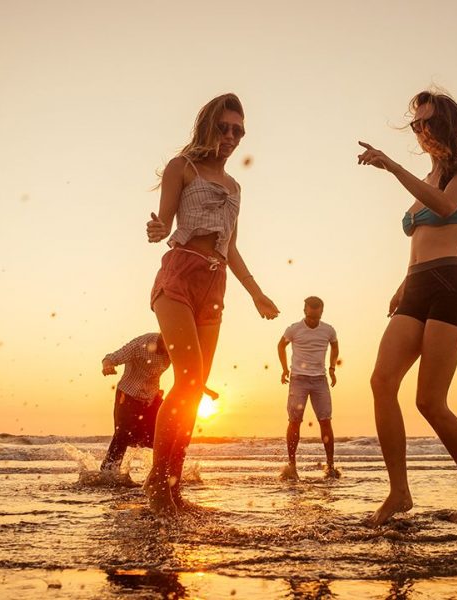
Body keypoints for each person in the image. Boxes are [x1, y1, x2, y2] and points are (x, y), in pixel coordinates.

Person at [357, 90, 457, 525]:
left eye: (429, 122)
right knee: (382, 382)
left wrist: (391, 166)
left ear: (449, 125)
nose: (422, 130)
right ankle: (399, 492)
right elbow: (419, 242)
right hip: (415, 287)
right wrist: (403, 283)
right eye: (416, 124)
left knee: (430, 402)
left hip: (449, 285)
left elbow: (445, 207)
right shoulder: (427, 173)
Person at [145, 93, 280, 515]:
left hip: (215, 287)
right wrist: (156, 228)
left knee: (194, 390)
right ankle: (158, 480)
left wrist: (256, 292)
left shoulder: (236, 187)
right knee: (187, 380)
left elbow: (232, 246)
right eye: (223, 127)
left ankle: (173, 480)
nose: (230, 136)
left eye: (238, 130)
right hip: (179, 276)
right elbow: (166, 222)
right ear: (207, 127)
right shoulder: (181, 168)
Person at [277, 296, 340, 479]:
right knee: (294, 421)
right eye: (310, 316)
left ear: (321, 312)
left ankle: (330, 466)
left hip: (320, 380)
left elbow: (335, 347)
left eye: (316, 316)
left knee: (325, 421)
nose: (313, 320)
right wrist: (284, 369)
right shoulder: (294, 329)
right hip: (298, 380)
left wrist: (332, 367)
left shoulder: (328, 330)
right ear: (305, 311)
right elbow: (281, 346)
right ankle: (292, 466)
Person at [100, 332, 170, 477]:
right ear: (162, 335)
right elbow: (112, 357)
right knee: (123, 436)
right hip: (128, 396)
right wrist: (107, 366)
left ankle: (163, 475)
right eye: (167, 344)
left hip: (151, 397)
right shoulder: (141, 344)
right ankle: (107, 474)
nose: (169, 350)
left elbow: (190, 368)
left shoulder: (175, 350)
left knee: (162, 435)